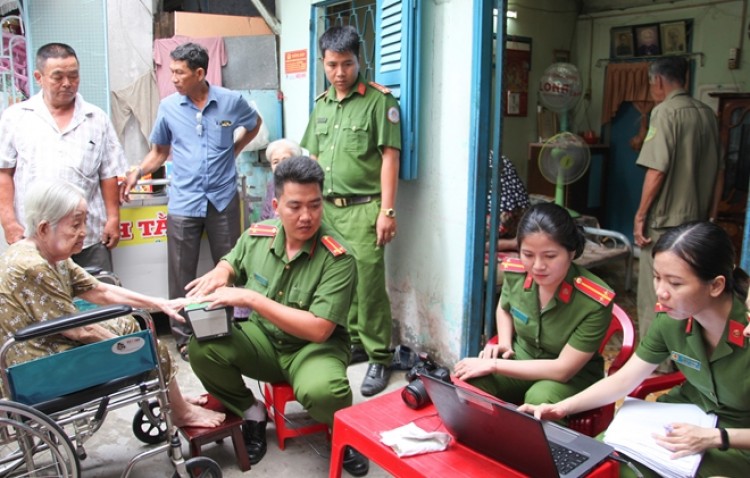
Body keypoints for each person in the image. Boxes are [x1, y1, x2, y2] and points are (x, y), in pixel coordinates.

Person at [183, 157, 369, 475]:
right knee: (202, 347)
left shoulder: (338, 257)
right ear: (276, 205)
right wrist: (222, 270)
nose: (306, 216)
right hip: (264, 341)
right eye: (295, 206)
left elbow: (319, 330)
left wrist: (251, 298)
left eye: (315, 205)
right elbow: (234, 259)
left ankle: (343, 433)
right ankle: (252, 412)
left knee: (325, 392)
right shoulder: (259, 235)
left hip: (313, 349)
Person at [520, 221, 750, 477]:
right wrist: (563, 407)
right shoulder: (671, 321)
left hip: (735, 443)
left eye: (675, 283)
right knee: (596, 462)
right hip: (679, 421)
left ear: (716, 286)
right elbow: (625, 379)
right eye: (657, 277)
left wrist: (715, 437)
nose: (660, 292)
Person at [0, 181, 224, 429]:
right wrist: (129, 349)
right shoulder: (33, 266)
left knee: (130, 325)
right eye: (75, 224)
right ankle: (181, 412)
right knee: (151, 348)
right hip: (38, 366)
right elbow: (81, 330)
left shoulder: (48, 253)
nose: (84, 232)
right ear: (44, 228)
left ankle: (173, 399)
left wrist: (160, 303)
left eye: (84, 222)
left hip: (44, 348)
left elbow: (100, 290)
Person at [120, 42, 262, 362]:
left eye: (179, 72)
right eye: (171, 71)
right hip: (184, 200)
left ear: (199, 73)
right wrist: (137, 171)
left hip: (223, 198)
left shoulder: (231, 102)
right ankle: (184, 337)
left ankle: (226, 330)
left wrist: (235, 150)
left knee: (228, 267)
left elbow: (254, 125)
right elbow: (159, 151)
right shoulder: (168, 107)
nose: (173, 78)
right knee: (181, 273)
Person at [300, 25, 401, 396]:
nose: (339, 72)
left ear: (359, 60)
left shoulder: (379, 101)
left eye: (347, 64)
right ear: (323, 63)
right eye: (332, 65)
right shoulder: (321, 104)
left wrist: (387, 211)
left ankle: (379, 356)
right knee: (340, 281)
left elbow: (390, 158)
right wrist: (308, 207)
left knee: (370, 284)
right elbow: (312, 158)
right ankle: (355, 340)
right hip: (327, 208)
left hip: (363, 209)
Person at [454, 203, 615, 406]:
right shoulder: (516, 275)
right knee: (469, 381)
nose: (538, 266)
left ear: (571, 252)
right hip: (522, 357)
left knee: (540, 398)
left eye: (550, 256)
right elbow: (504, 308)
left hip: (571, 376)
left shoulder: (593, 301)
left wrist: (494, 365)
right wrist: (505, 342)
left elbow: (563, 370)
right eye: (528, 255)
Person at [0, 42, 127, 271]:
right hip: (34, 238)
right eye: (58, 77)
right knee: (40, 294)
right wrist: (9, 222)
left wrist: (113, 219)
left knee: (98, 291)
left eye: (73, 76)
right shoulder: (15, 118)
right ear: (39, 77)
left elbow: (109, 174)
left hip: (88, 238)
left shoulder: (96, 118)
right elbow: (4, 173)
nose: (67, 83)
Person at [633, 57, 723, 343]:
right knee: (690, 294)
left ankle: (656, 358)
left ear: (658, 81)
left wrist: (640, 215)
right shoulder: (708, 114)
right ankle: (686, 352)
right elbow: (720, 172)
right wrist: (711, 216)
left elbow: (657, 170)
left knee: (658, 295)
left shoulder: (664, 113)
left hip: (665, 225)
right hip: (697, 225)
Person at [259, 138, 303, 221]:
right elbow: (265, 215)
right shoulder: (272, 185)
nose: (280, 165)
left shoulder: (303, 185)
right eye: (275, 162)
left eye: (285, 160)